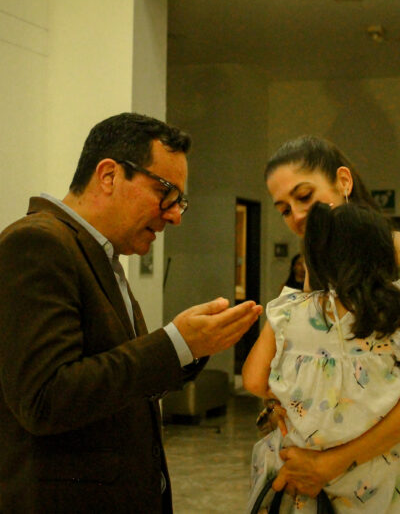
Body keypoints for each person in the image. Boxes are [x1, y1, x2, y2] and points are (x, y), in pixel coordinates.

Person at [0, 112, 262, 514]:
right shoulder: (38, 244)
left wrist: (192, 347)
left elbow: (116, 380)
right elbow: (46, 398)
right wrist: (174, 345)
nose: (174, 215)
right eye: (165, 192)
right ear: (109, 175)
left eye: (179, 201)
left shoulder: (99, 253)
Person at [260, 134, 400, 500]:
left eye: (304, 196)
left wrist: (334, 462)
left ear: (344, 181)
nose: (297, 215)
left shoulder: (396, 252)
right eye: (284, 210)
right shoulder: (315, 271)